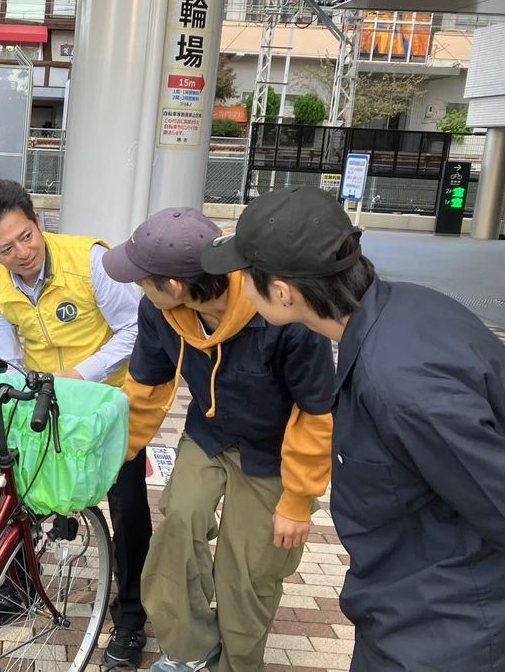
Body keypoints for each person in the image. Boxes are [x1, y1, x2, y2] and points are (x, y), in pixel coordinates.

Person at [202, 186, 505, 671]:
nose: (240, 290)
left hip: (452, 627)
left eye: (244, 278)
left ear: (283, 291)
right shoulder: (409, 309)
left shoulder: (401, 386)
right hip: (415, 602)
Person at [104, 207, 335, 672]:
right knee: (178, 526)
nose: (136, 289)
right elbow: (145, 391)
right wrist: (109, 459)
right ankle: (192, 648)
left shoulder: (282, 317)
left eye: (142, 279)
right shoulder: (161, 312)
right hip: (209, 435)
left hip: (275, 454)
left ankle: (236, 664)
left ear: (173, 285)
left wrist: (297, 499)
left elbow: (317, 413)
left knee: (248, 572)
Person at [0, 178, 153, 669]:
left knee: (127, 504)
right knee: (20, 489)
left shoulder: (90, 261)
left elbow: (136, 328)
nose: (23, 252)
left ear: (38, 221)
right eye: (6, 248)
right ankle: (21, 581)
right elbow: (5, 356)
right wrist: (7, 389)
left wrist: (78, 373)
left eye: (27, 235)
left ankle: (130, 616)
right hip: (48, 398)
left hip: (108, 399)